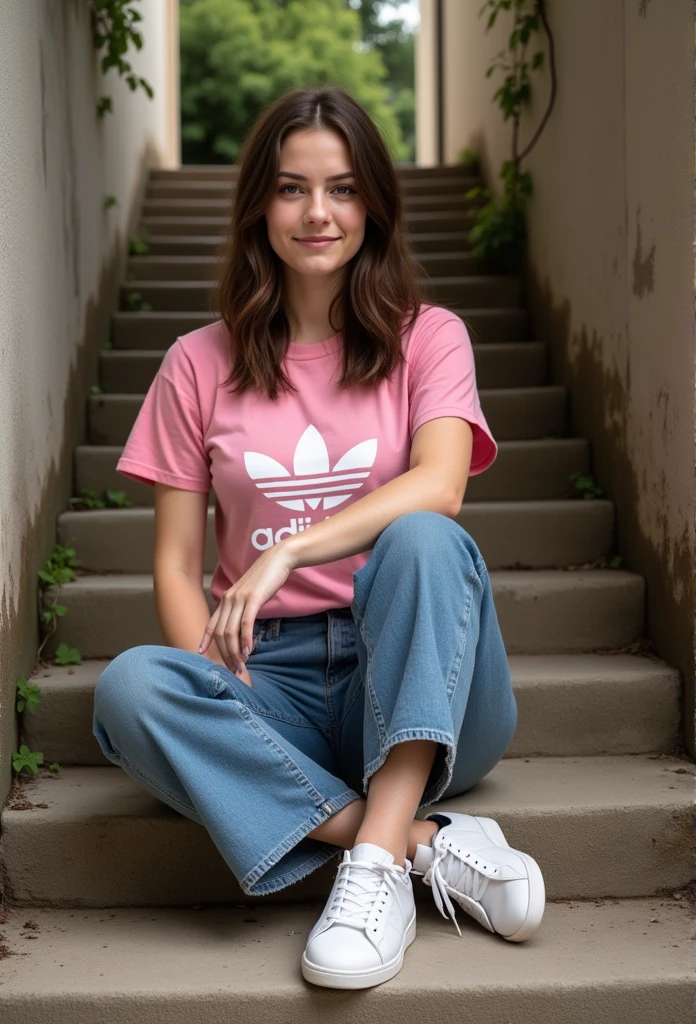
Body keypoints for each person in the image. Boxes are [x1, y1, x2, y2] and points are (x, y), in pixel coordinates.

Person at [93, 86, 545, 991]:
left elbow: (442, 485)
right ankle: (414, 842)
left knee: (421, 538)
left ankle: (368, 874)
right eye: (293, 188)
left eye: (341, 189)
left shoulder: (431, 338)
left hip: (422, 675)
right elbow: (178, 565)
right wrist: (222, 682)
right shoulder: (196, 364)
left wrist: (290, 549)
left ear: (373, 203)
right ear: (260, 204)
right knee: (128, 689)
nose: (317, 213)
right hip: (279, 686)